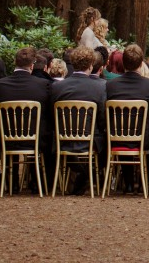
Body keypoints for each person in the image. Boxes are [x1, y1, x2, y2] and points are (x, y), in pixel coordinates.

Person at [0, 47, 54, 193]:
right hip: (36, 139)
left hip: (6, 138)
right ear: (32, 65)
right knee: (40, 127)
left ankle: (12, 182)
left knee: (9, 128)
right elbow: (48, 113)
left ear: (15, 62)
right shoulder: (43, 85)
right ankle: (34, 181)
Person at [48, 46, 106, 195]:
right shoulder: (100, 87)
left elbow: (51, 114)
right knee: (107, 139)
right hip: (91, 139)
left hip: (63, 138)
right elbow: (101, 118)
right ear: (91, 65)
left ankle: (83, 174)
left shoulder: (57, 86)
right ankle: (89, 174)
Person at [104, 44, 149, 191]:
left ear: (124, 62)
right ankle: (145, 179)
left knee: (125, 131)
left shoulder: (111, 85)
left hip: (117, 134)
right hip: (143, 136)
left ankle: (129, 182)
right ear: (141, 62)